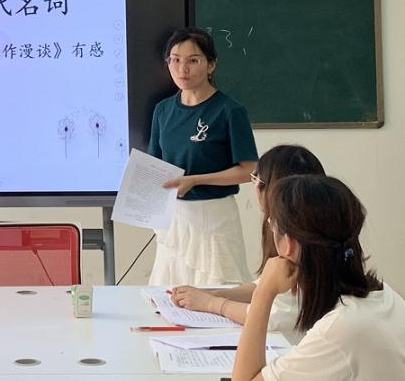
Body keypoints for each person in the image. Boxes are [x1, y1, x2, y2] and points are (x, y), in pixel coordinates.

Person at [232, 175, 405, 380]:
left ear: (288, 243)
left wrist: (263, 293)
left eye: (272, 225)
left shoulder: (340, 329)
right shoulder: (384, 294)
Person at [169, 145, 324, 339]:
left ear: (272, 189)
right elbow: (262, 286)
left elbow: (271, 316)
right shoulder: (310, 220)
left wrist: (212, 304)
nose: (254, 186)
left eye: (256, 179)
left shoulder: (296, 237)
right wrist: (215, 294)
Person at [148, 26, 258, 285]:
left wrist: (196, 180)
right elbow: (154, 165)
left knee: (219, 290)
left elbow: (249, 170)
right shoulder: (163, 111)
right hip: (174, 220)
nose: (182, 69)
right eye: (175, 60)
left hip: (214, 217)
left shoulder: (229, 111)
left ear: (211, 65)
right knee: (169, 292)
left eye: (193, 61)